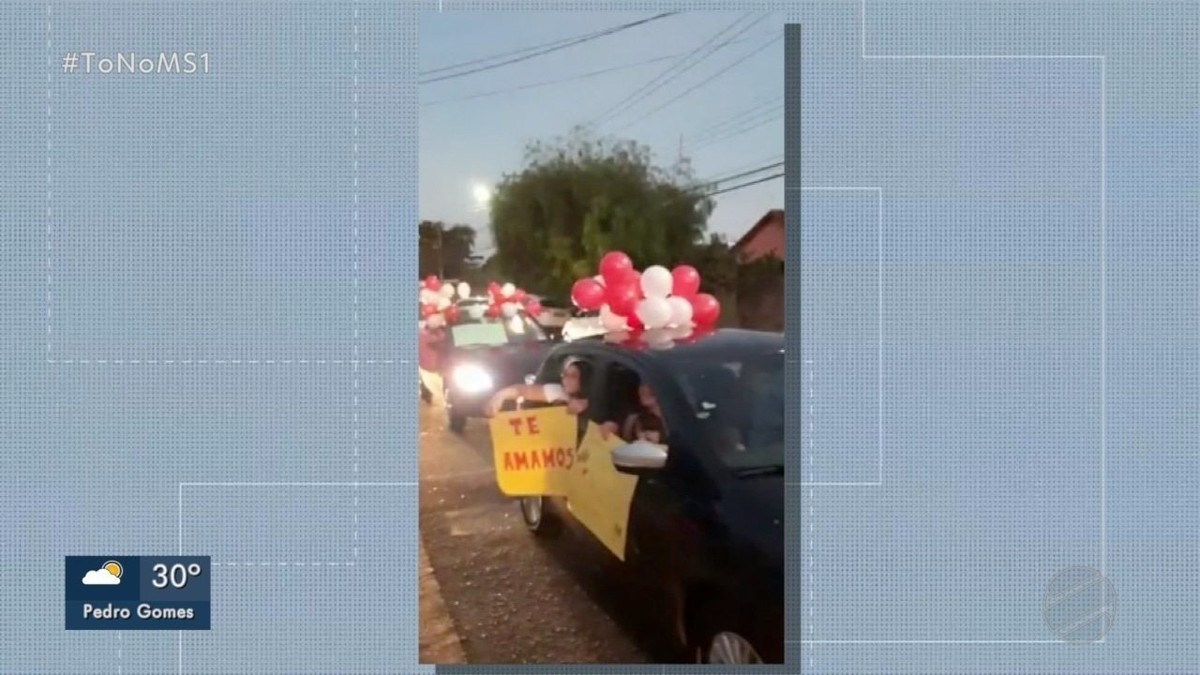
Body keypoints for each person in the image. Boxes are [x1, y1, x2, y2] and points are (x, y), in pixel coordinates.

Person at [485, 357, 592, 417]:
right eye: (564, 375)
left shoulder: (599, 399)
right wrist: (500, 395)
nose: (566, 380)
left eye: (573, 376)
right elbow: (522, 390)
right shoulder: (559, 392)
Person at [601, 383, 668, 443]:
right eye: (643, 383)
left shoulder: (673, 426)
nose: (645, 389)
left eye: (652, 386)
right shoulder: (631, 421)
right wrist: (613, 428)